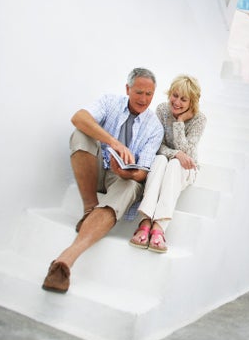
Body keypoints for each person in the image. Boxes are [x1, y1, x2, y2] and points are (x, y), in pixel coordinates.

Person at [42, 67, 164, 293]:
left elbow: (143, 172)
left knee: (131, 185)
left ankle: (64, 262)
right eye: (139, 92)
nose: (144, 99)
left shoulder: (155, 127)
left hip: (121, 179)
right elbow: (78, 117)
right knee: (80, 134)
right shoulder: (110, 102)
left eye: (149, 94)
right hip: (96, 169)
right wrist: (114, 143)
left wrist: (128, 173)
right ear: (127, 89)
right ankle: (89, 208)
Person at [129, 75, 206, 253]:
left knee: (174, 164)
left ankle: (159, 228)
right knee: (160, 159)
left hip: (185, 169)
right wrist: (175, 154)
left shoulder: (199, 119)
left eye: (183, 99)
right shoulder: (162, 110)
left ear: (191, 102)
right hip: (162, 162)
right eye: (175, 95)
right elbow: (156, 145)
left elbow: (188, 154)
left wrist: (179, 122)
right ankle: (145, 221)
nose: (177, 102)